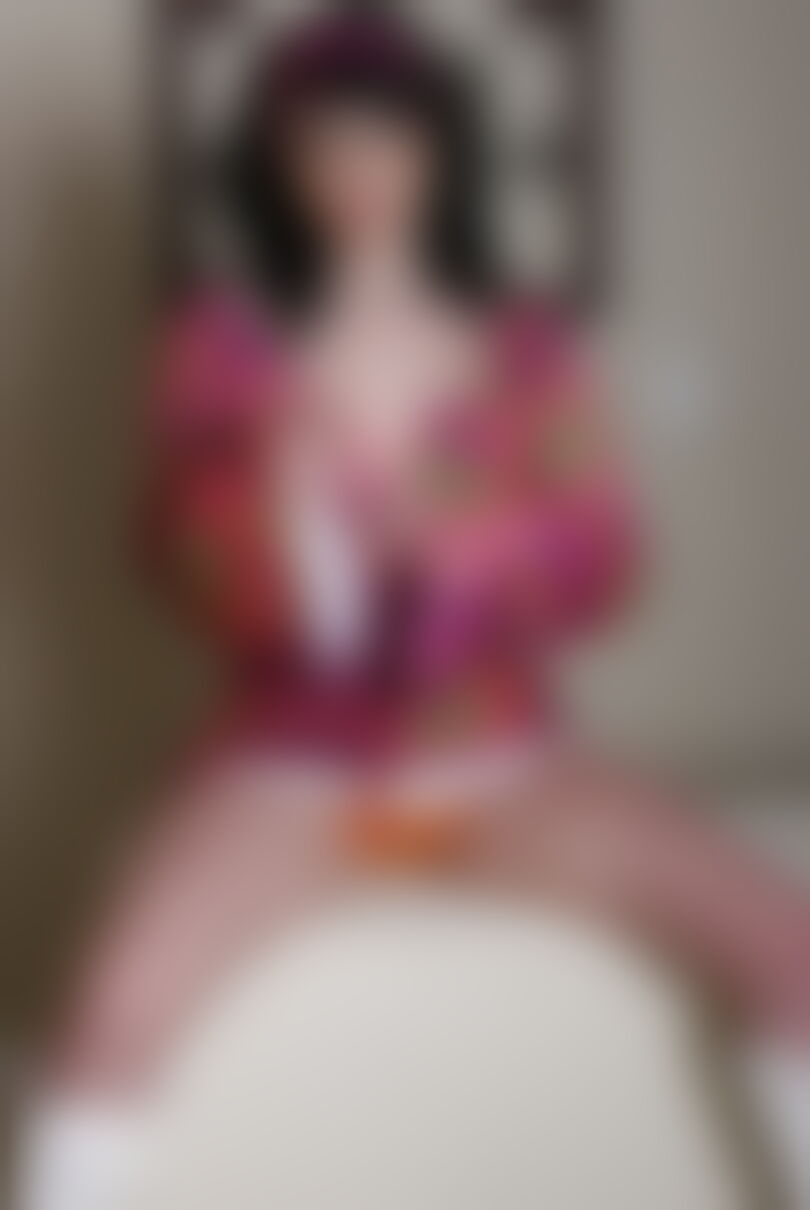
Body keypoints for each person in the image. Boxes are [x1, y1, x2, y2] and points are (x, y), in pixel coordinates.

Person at [16, 13, 809, 1210]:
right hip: (283, 763)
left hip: (504, 754)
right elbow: (170, 565)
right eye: (323, 143)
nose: (359, 172)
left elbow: (606, 562)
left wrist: (483, 545)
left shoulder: (526, 347)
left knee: (788, 942)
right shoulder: (222, 350)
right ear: (280, 163)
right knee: (112, 1011)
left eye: (388, 138)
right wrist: (267, 495)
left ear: (442, 151)